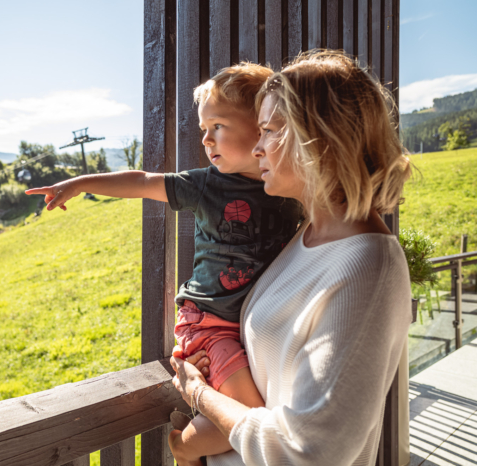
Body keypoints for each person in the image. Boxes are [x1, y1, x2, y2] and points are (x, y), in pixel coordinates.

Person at [26, 63, 303, 457]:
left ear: (261, 125)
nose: (206, 140)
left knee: (251, 416)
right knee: (253, 417)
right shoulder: (206, 184)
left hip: (250, 323)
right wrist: (79, 183)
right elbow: (142, 182)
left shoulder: (288, 186)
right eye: (204, 129)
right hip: (210, 324)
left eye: (218, 127)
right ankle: (182, 448)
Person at [169, 50, 413, 466]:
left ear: (317, 138)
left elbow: (307, 452)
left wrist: (199, 395)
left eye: (268, 131)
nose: (257, 147)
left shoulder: (369, 268)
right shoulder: (304, 237)